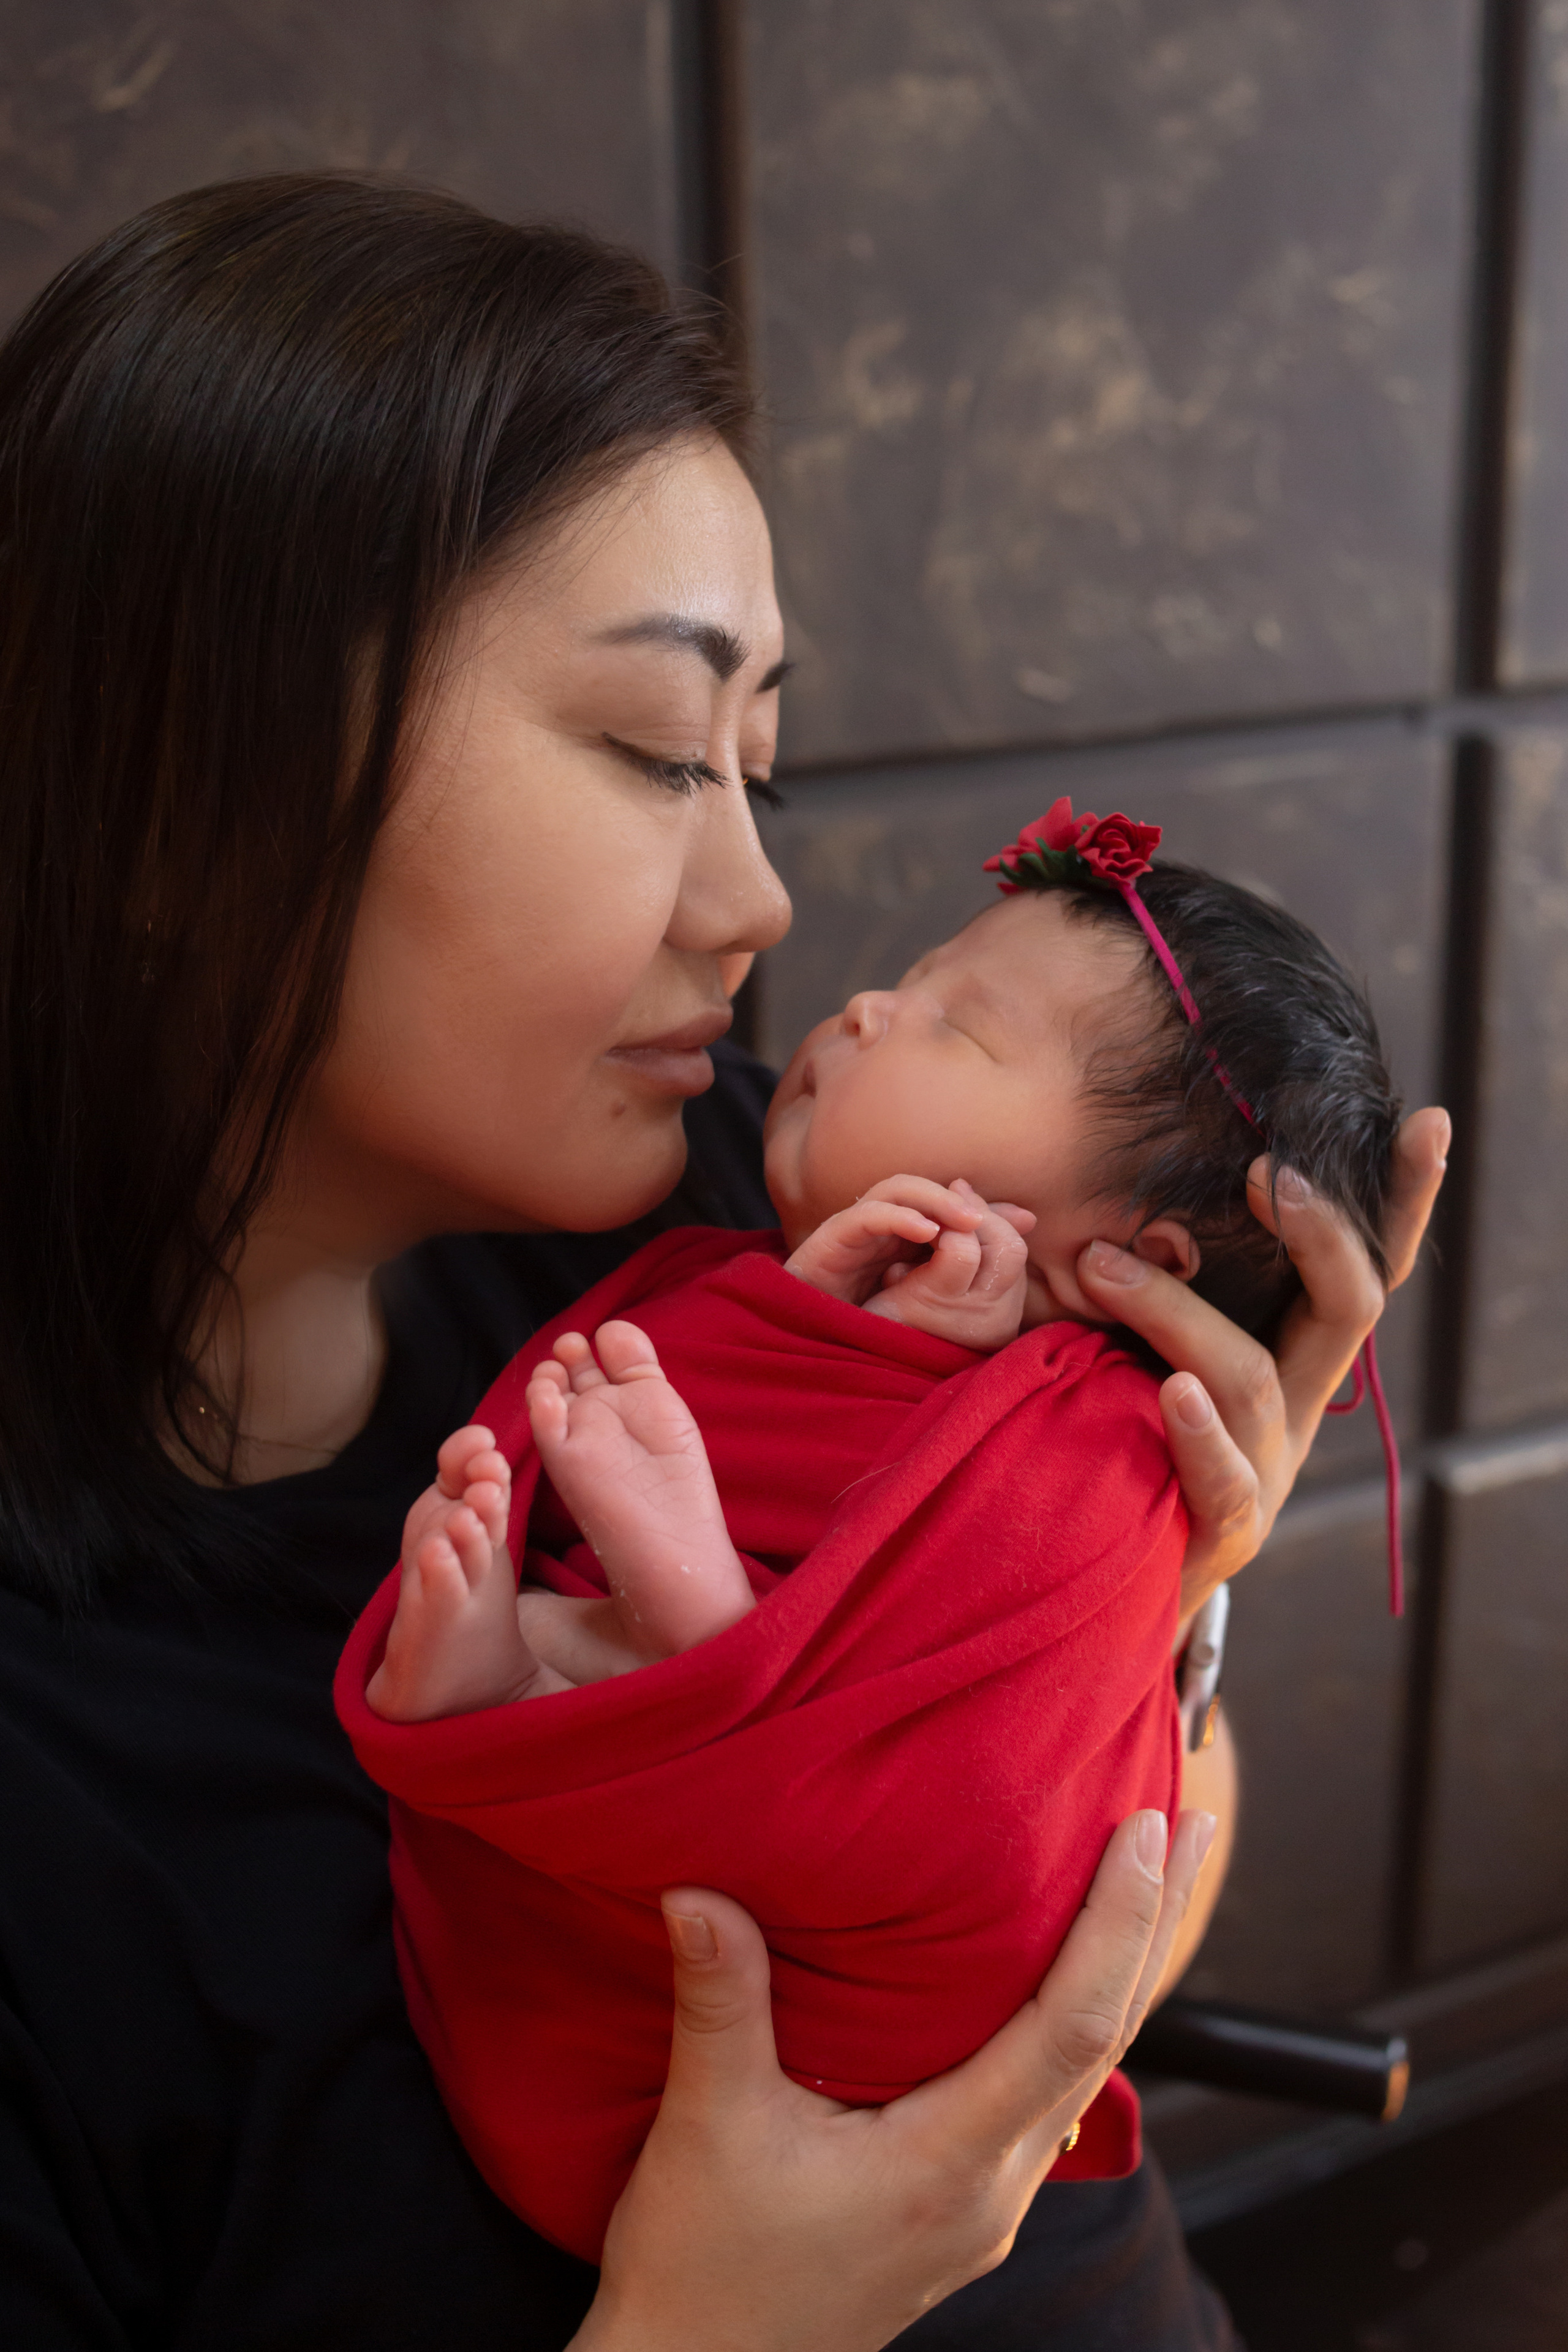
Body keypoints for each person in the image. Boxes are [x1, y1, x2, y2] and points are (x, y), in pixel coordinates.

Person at [0, 174, 1447, 2351]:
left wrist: (1148, 1581)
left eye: (752, 763)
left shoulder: (750, 1240)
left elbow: (1146, 1887)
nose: (763, 902)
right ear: (182, 789)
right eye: (661, 752)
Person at [337, 832, 1402, 2263]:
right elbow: (782, 1427)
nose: (854, 1010)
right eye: (908, 983)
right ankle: (628, 1660)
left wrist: (1187, 1590)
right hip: (657, 2143)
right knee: (598, 1545)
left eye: (952, 1024)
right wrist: (838, 1337)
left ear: (1134, 1259)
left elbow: (1050, 1844)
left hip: (867, 2076)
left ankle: (681, 1647)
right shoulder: (736, 1213)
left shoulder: (1098, 1443)